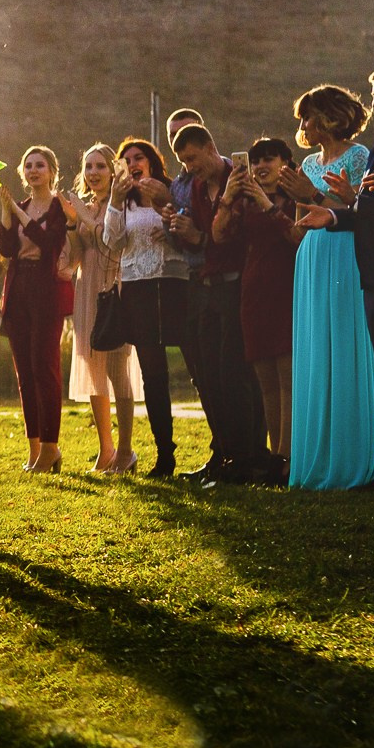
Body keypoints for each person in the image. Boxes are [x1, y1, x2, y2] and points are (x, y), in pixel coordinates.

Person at [286, 84, 374, 490]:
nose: (304, 125)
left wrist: (310, 194)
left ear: (329, 116)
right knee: (315, 348)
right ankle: (316, 456)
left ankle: (347, 457)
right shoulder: (308, 162)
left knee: (342, 345)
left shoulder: (358, 156)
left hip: (344, 250)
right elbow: (299, 220)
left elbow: (355, 212)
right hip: (311, 255)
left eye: (309, 116)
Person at [169, 121, 271, 483]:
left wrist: (208, 231)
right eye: (183, 161)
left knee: (236, 374)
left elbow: (232, 237)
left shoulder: (240, 177)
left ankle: (250, 457)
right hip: (206, 284)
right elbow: (206, 239)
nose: (189, 167)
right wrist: (188, 234)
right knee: (210, 376)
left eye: (193, 158)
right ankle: (226, 454)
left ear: (211, 148)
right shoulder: (196, 187)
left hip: (237, 284)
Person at [221, 138, 301, 478]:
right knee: (265, 378)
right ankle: (274, 453)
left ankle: (288, 457)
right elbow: (219, 236)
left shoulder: (295, 196)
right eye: (255, 162)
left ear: (286, 162)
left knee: (287, 377)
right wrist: (228, 197)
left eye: (268, 160)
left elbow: (297, 237)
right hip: (253, 291)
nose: (260, 167)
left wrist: (268, 204)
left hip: (287, 288)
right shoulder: (245, 202)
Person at [101, 138, 180, 477]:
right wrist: (116, 202)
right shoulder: (125, 202)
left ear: (152, 162)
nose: (132, 163)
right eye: (126, 159)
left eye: (139, 157)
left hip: (176, 284)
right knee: (153, 374)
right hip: (138, 288)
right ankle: (165, 453)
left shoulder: (173, 190)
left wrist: (169, 215)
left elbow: (187, 226)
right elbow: (112, 241)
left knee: (198, 367)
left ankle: (220, 449)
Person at [0, 146, 75, 472]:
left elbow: (47, 243)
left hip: (46, 293)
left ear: (52, 171)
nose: (33, 170)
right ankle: (33, 448)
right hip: (18, 293)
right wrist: (5, 212)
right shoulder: (20, 206)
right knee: (24, 373)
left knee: (45, 369)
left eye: (40, 165)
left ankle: (50, 447)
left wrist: (16, 209)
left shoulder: (61, 208)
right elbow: (7, 249)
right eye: (28, 165)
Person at [65, 148, 138, 472]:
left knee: (116, 369)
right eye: (88, 166)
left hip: (114, 289)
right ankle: (104, 449)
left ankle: (126, 451)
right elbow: (77, 255)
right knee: (94, 368)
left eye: (100, 166)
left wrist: (81, 215)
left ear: (112, 171)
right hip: (87, 289)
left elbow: (111, 245)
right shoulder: (84, 205)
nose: (93, 171)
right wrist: (71, 224)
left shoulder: (120, 203)